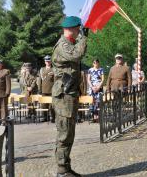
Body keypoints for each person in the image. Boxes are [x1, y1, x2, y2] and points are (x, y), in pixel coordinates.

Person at [52, 16, 88, 177]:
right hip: (64, 95)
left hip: (70, 93)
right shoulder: (63, 45)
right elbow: (76, 55)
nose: (79, 31)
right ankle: (61, 170)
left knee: (69, 133)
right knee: (64, 133)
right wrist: (84, 38)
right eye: (78, 29)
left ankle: (65, 167)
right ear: (72, 29)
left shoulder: (70, 44)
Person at [37, 55, 55, 122]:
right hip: (44, 90)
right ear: (45, 62)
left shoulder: (54, 69)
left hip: (52, 90)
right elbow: (39, 80)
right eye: (46, 61)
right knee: (43, 104)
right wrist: (39, 89)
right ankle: (44, 117)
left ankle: (53, 117)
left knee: (52, 105)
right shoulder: (42, 69)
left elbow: (56, 80)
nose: (47, 62)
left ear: (51, 62)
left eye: (49, 61)